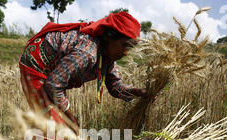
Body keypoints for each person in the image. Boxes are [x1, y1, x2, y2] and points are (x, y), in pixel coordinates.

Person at [19, 12, 148, 133]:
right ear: (109, 37)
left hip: (53, 75)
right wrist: (70, 118)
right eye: (124, 45)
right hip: (36, 64)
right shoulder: (87, 53)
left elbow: (115, 87)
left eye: (129, 48)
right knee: (56, 129)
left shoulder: (107, 58)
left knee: (60, 129)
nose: (126, 53)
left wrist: (137, 92)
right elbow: (53, 84)